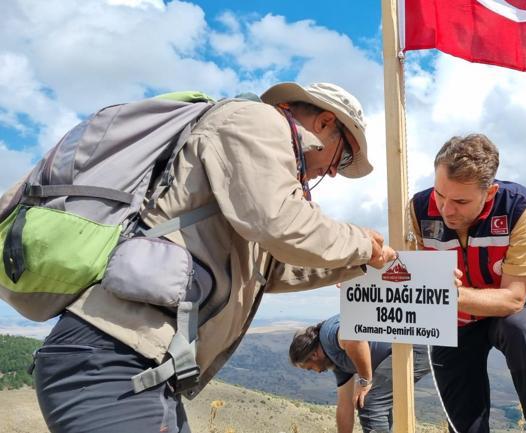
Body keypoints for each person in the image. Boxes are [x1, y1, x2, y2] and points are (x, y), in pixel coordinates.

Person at [4, 82, 398, 433]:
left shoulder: (256, 175)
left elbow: (273, 267)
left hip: (139, 365)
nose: (331, 174)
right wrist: (363, 242)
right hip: (112, 360)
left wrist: (359, 262)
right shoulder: (259, 122)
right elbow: (280, 223)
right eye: (342, 159)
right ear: (326, 123)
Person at [408, 134, 526, 433]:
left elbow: (513, 299)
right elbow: (406, 269)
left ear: (490, 192)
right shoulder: (418, 208)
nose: (446, 210)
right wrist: (365, 275)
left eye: (460, 201)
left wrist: (452, 295)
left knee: (520, 329)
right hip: (454, 318)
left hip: (509, 309)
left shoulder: (522, 208)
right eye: (440, 195)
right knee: (462, 422)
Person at [289, 314, 431, 433]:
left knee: (370, 401)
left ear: (313, 355)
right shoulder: (336, 362)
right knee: (369, 401)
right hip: (406, 347)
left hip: (413, 344)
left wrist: (364, 380)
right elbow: (345, 405)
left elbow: (354, 339)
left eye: (310, 368)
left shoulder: (328, 335)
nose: (317, 372)